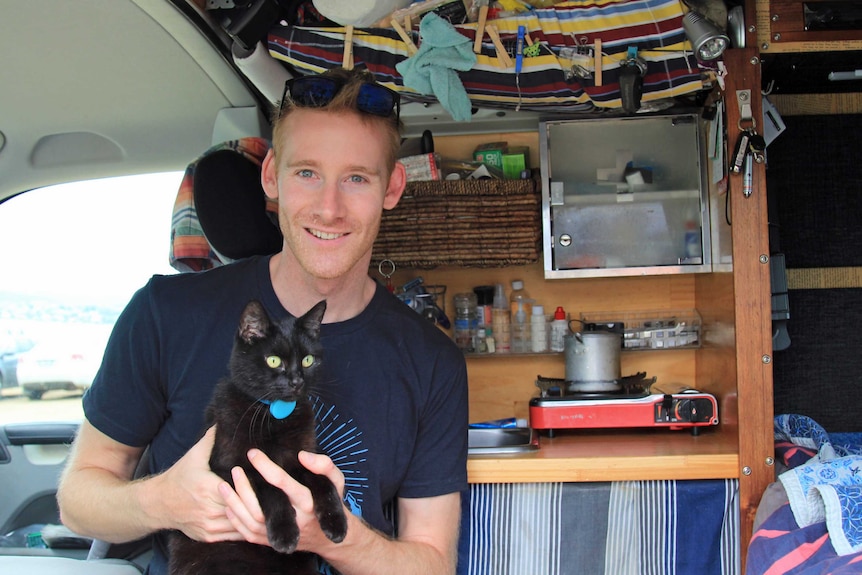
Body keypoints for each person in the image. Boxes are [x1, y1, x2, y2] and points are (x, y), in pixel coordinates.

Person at [57, 67, 469, 575]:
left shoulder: (432, 361)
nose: (329, 207)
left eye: (356, 178)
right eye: (307, 173)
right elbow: (77, 501)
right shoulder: (165, 313)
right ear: (271, 176)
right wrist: (164, 500)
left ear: (393, 187)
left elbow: (433, 564)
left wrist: (332, 537)